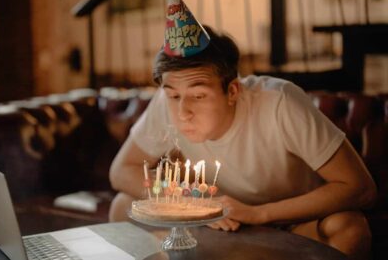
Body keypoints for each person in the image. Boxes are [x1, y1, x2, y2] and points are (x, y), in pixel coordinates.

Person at [109, 24, 377, 260]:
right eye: (174, 96)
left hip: (293, 223)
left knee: (350, 228)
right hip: (216, 224)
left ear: (232, 91)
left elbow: (360, 187)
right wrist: (195, 204)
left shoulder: (279, 103)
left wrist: (258, 214)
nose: (182, 112)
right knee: (123, 205)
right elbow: (121, 170)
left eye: (199, 96)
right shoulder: (167, 102)